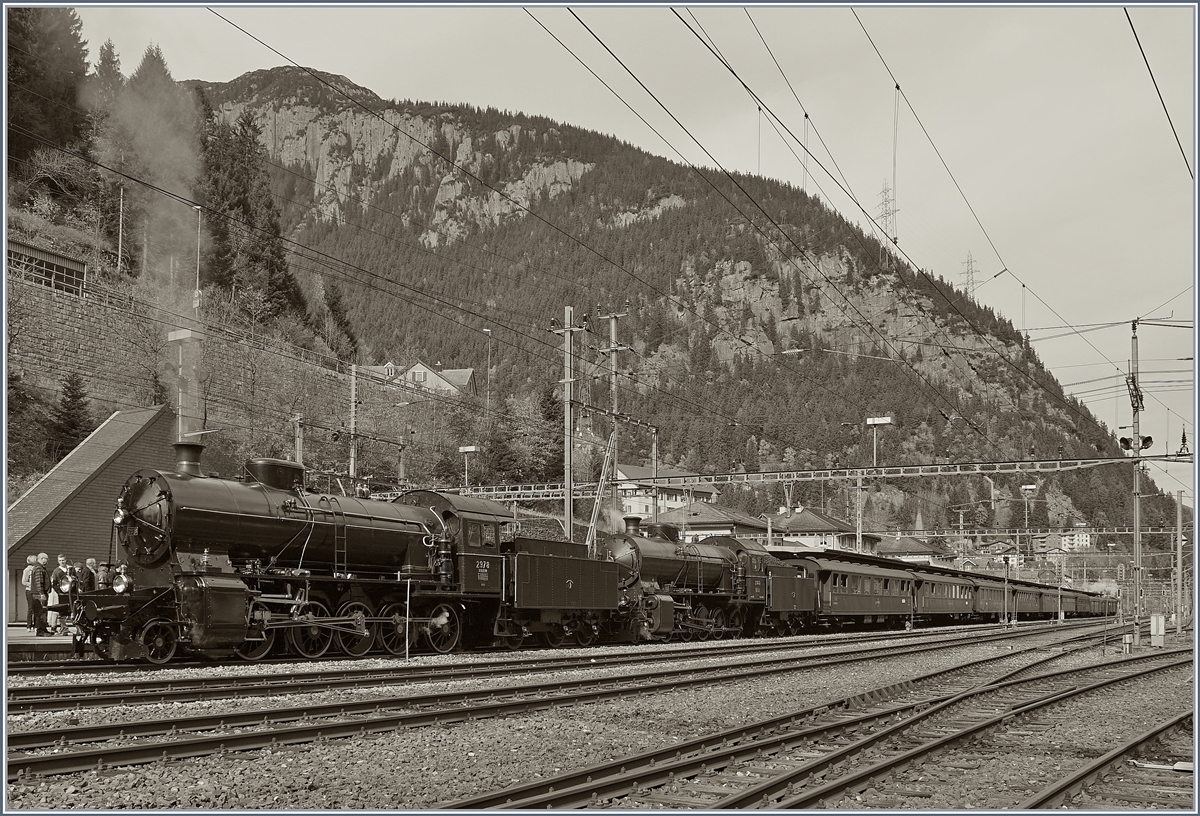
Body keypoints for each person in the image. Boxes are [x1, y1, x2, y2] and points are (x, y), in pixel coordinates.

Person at [48, 554, 72, 634]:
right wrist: (59, 592)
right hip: (60, 594)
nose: (62, 562)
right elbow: (54, 584)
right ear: (58, 561)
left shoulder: (70, 569)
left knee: (69, 610)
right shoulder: (56, 571)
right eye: (60, 560)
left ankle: (64, 628)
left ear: (66, 560)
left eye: (63, 560)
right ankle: (60, 627)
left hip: (70, 593)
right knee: (60, 610)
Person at [30, 553, 50, 636]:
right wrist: (41, 593)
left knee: (43, 611)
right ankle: (40, 631)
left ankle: (44, 629)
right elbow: (39, 582)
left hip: (40, 593)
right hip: (39, 594)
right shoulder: (39, 568)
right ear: (41, 559)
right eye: (46, 559)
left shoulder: (41, 568)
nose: (47, 561)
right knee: (40, 612)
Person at [21, 555, 37, 631]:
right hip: (30, 590)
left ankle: (36, 625)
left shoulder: (37, 569)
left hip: (37, 591)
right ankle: (29, 625)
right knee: (31, 608)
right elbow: (24, 581)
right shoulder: (27, 570)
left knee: (37, 608)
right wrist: (32, 585)